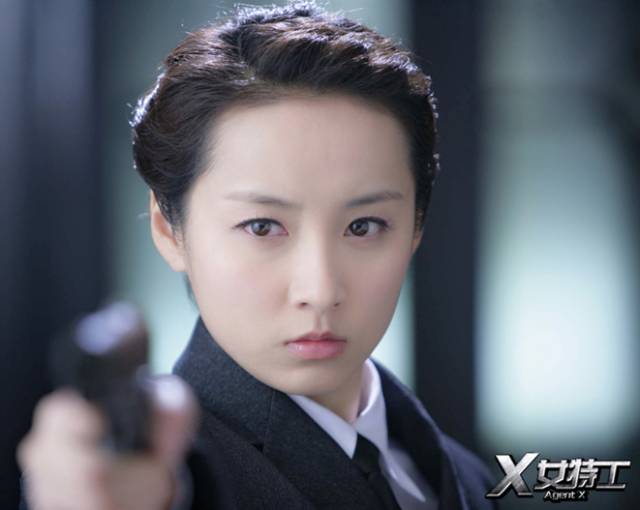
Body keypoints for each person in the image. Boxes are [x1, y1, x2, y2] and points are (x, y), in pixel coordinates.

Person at [17, 1, 497, 509]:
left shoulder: (462, 473)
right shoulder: (166, 478)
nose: (320, 291)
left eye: (363, 226)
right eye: (262, 226)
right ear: (168, 229)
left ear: (416, 225)